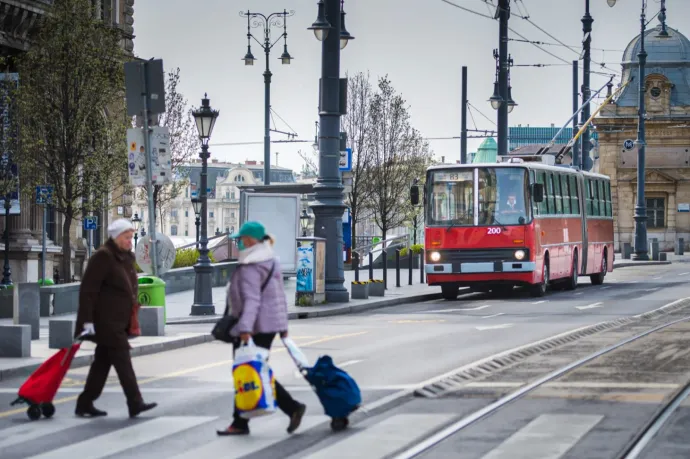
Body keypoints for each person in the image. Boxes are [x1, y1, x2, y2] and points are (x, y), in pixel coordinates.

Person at [217, 221, 306, 436]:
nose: (240, 242)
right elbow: (278, 297)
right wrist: (282, 326)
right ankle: (243, 421)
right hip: (269, 325)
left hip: (254, 327)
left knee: (249, 371)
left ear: (251, 240)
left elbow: (252, 301)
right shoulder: (271, 260)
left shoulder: (251, 264)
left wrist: (245, 329)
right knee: (255, 370)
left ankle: (286, 409)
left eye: (243, 238)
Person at [74, 218, 157, 418]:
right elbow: (88, 291)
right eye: (127, 238)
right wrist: (87, 322)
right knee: (123, 361)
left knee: (102, 364)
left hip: (119, 321)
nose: (130, 241)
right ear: (116, 237)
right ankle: (135, 402)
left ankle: (85, 402)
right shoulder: (103, 257)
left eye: (131, 237)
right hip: (106, 322)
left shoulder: (124, 257)